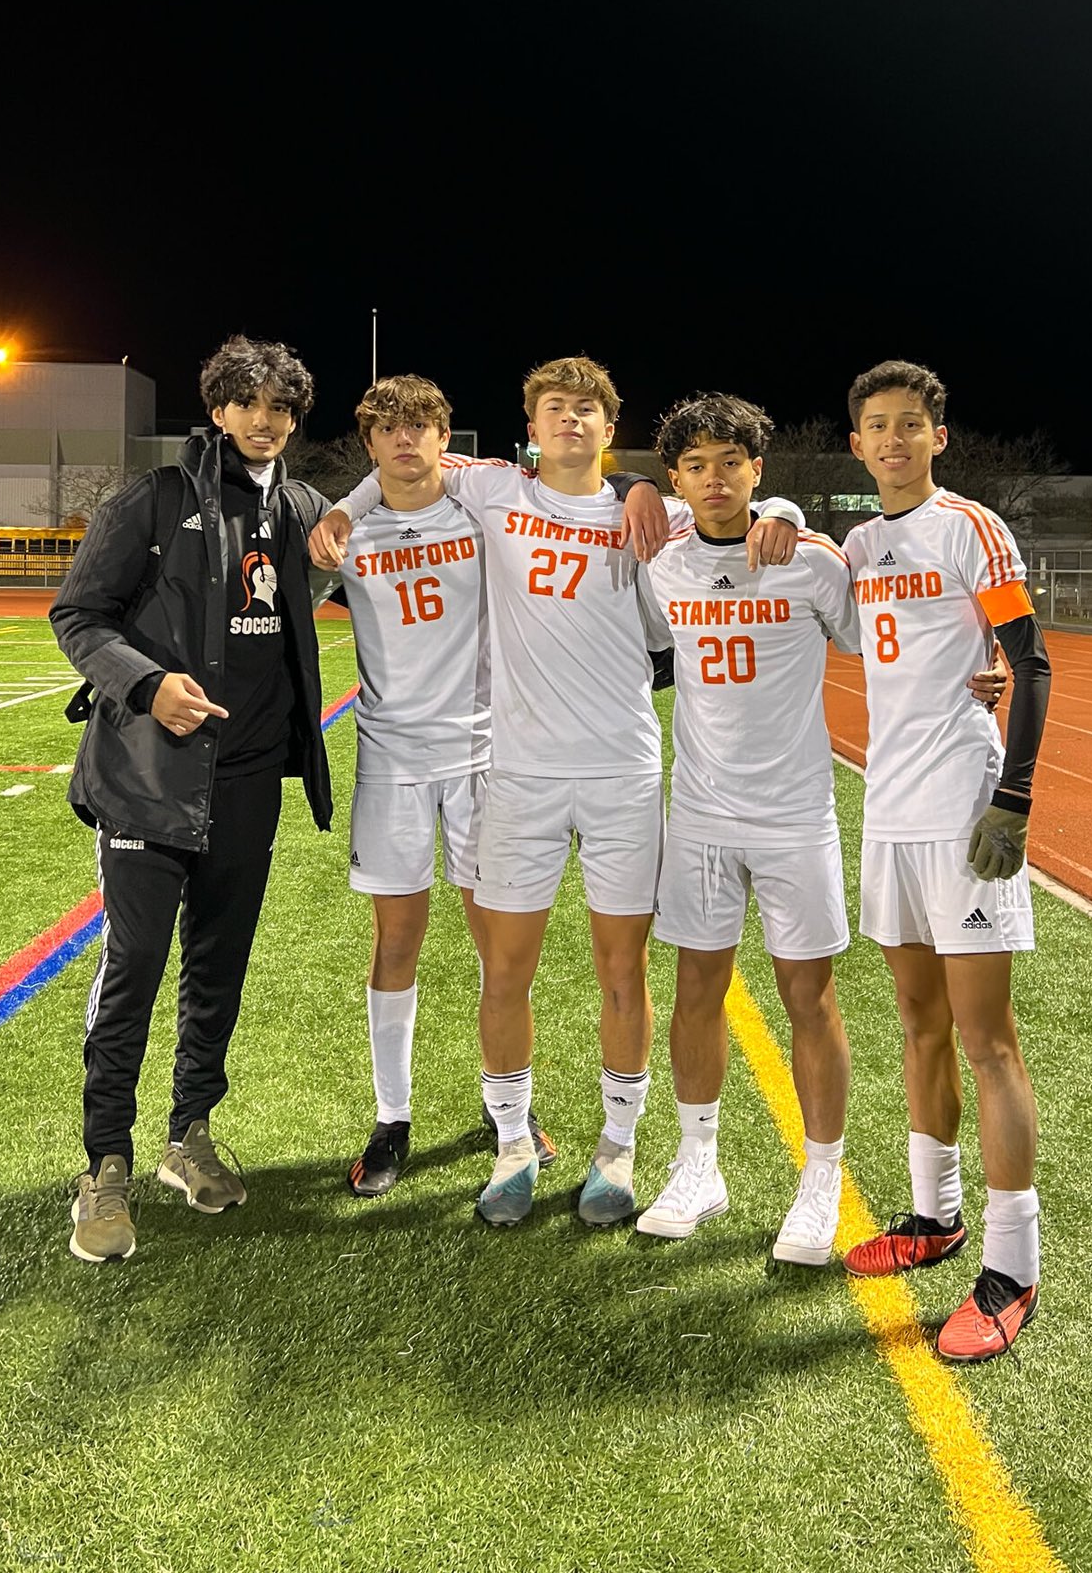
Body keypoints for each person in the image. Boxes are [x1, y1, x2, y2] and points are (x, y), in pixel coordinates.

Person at [310, 354, 801, 1231]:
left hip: (620, 772)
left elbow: (744, 519)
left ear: (611, 430)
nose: (569, 419)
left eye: (587, 409)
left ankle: (616, 1149)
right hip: (519, 777)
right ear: (529, 427)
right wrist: (346, 508)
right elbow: (399, 460)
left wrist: (758, 504)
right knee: (505, 970)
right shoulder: (496, 490)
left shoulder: (653, 513)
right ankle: (509, 1144)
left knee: (623, 970)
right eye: (553, 408)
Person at [635, 393, 1006, 1269]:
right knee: (696, 989)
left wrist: (982, 661)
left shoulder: (812, 560)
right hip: (699, 812)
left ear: (759, 471)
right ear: (677, 479)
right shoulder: (663, 567)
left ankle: (820, 1179)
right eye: (695, 466)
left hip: (796, 813)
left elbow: (892, 629)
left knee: (810, 996)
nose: (715, 479)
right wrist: (632, 494)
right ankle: (698, 1166)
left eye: (733, 462)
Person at [50, 336, 333, 1264]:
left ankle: (189, 1134)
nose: (264, 420)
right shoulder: (156, 500)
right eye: (247, 402)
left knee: (218, 970)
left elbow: (413, 501)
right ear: (217, 410)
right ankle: (106, 1163)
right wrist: (146, 684)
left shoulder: (300, 509)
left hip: (250, 780)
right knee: (132, 972)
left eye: (281, 407)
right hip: (149, 778)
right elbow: (78, 615)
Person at [838, 359, 1052, 1365]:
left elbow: (1034, 659)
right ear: (856, 443)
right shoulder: (860, 540)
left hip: (965, 806)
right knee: (919, 1023)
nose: (893, 439)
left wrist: (1013, 796)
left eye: (910, 424)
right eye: (876, 425)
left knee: (987, 1039)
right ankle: (936, 1218)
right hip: (888, 809)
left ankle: (1014, 1266)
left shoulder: (970, 525)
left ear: (939, 436)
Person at [335, 372, 555, 1197]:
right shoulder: (343, 531)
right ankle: (393, 1117)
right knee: (396, 942)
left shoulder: (482, 503)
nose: (405, 439)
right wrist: (343, 510)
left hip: (482, 756)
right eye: (388, 428)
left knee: (496, 945)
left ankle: (510, 1112)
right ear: (370, 444)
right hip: (391, 759)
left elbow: (584, 484)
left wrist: (780, 513)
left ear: (443, 438)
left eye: (420, 426)